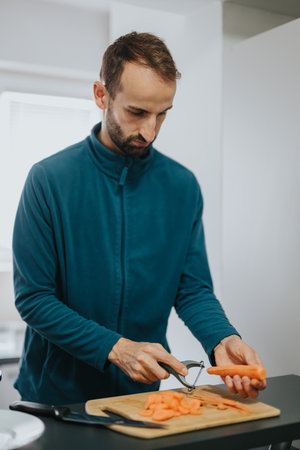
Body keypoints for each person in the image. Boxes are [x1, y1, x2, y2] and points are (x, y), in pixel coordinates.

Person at [13, 32, 266, 405]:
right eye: (137, 112)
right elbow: (34, 298)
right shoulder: (49, 180)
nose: (150, 131)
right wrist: (115, 348)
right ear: (102, 95)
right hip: (55, 400)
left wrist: (222, 338)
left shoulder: (182, 187)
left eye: (162, 114)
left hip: (139, 401)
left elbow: (191, 287)